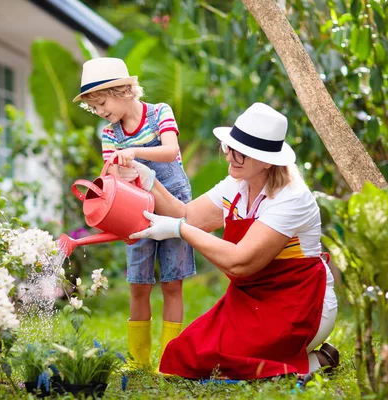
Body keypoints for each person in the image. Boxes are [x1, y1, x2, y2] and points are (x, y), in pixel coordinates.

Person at [129, 102, 339, 380]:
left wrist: (179, 230)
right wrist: (150, 182)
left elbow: (241, 262)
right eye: (230, 148)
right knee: (182, 356)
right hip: (248, 301)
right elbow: (188, 215)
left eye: (242, 153)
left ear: (267, 161)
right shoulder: (236, 184)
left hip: (300, 305)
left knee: (231, 364)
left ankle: (317, 360)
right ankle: (296, 361)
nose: (230, 157)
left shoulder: (293, 197)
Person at [73, 57, 196, 369]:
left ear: (124, 90)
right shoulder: (110, 134)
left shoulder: (159, 113)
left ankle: (171, 359)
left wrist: (135, 152)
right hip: (134, 208)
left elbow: (170, 150)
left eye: (102, 103)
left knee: (172, 282)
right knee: (139, 284)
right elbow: (113, 178)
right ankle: (138, 360)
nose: (100, 112)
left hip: (172, 203)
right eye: (94, 108)